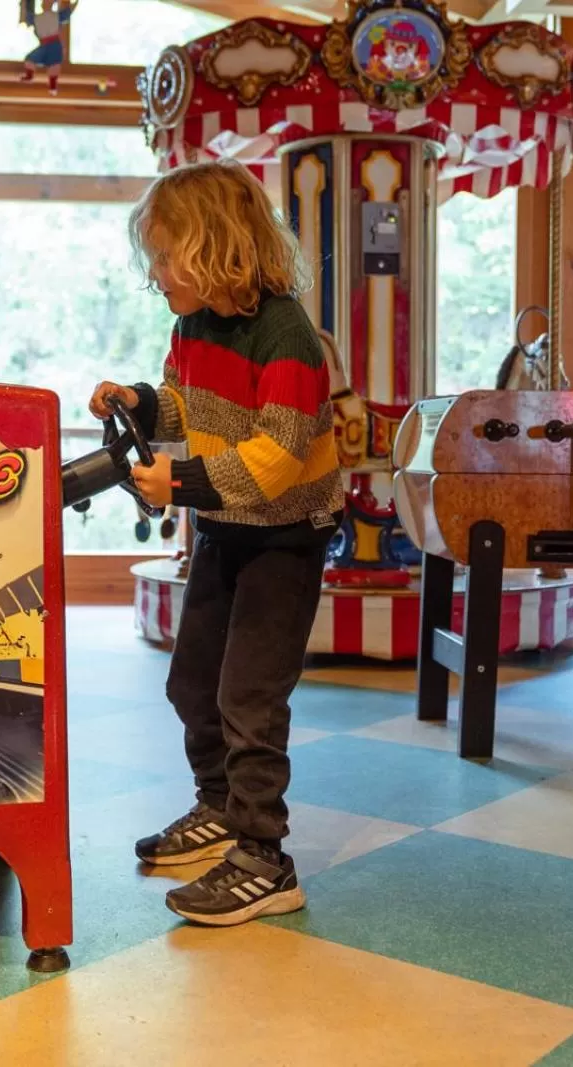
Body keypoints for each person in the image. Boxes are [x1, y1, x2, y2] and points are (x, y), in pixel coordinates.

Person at [90, 160, 343, 927]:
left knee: (249, 698)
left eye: (165, 258)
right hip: (227, 529)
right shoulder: (192, 325)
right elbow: (185, 405)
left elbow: (277, 458)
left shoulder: (288, 337)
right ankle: (222, 807)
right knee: (192, 682)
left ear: (214, 251)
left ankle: (266, 857)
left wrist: (182, 482)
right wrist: (139, 401)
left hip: (286, 536)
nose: (155, 274)